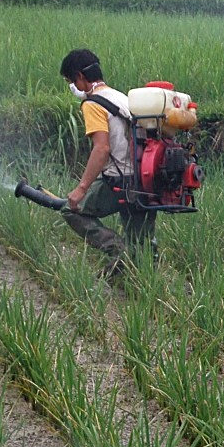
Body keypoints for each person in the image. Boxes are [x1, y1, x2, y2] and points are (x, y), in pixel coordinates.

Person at [58, 48, 156, 277]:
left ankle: (116, 249)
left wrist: (81, 189)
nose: (72, 86)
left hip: (118, 181)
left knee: (71, 210)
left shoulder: (93, 104)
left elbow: (101, 149)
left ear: (80, 77)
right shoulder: (121, 97)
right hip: (143, 179)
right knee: (142, 244)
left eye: (70, 80)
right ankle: (145, 285)